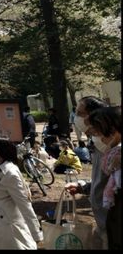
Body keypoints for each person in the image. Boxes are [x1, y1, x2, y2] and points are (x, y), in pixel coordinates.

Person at [64, 96, 110, 249]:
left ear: (94, 115)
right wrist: (83, 187)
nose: (75, 117)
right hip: (103, 224)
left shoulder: (112, 150)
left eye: (79, 113)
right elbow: (103, 181)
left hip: (114, 226)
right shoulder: (97, 145)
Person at [0, 137, 43, 249]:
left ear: (1, 150)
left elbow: (24, 204)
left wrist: (36, 233)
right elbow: (1, 188)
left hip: (10, 226)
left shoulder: (10, 173)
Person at [87, 106, 121, 250]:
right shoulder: (114, 153)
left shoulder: (117, 154)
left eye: (99, 132)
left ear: (113, 130)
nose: (99, 137)